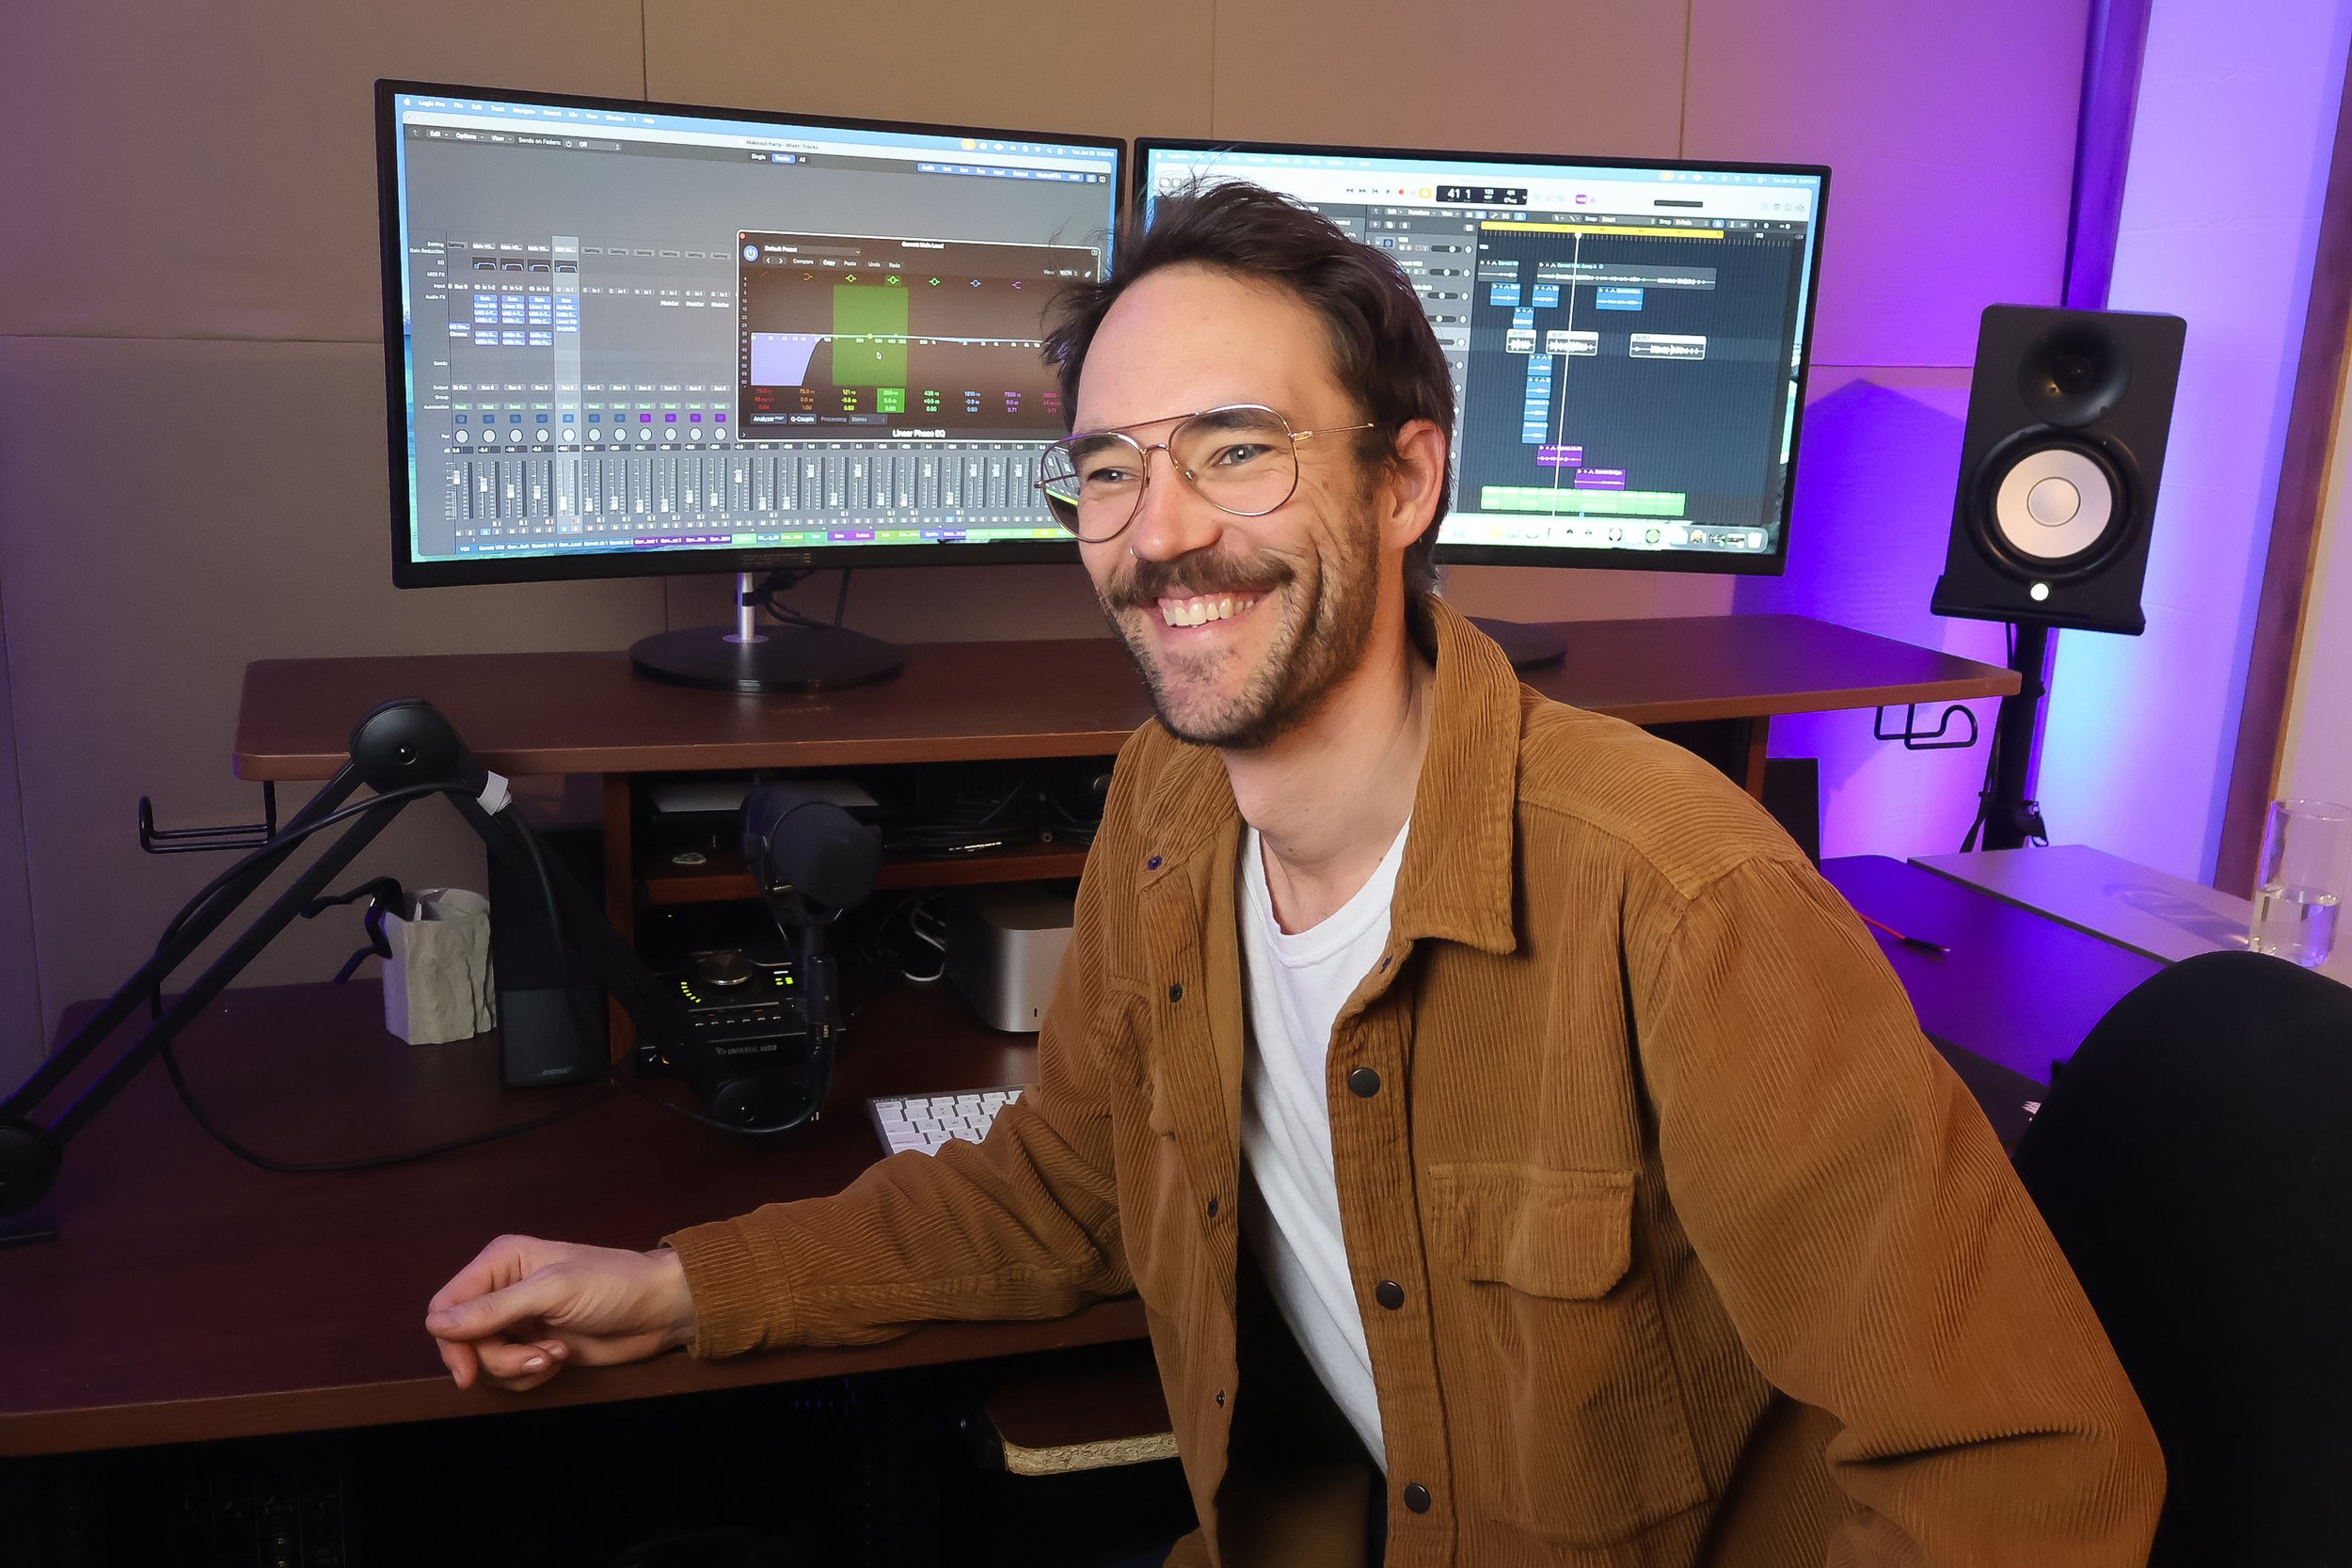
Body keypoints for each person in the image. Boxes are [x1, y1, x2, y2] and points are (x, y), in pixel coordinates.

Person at [425, 182, 2163, 1566]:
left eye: (1236, 449)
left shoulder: (1681, 903)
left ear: (1407, 479)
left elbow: (2025, 1479)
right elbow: (1065, 1188)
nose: (1158, 530)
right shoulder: (1164, 817)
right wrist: (676, 1286)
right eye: (1110, 470)